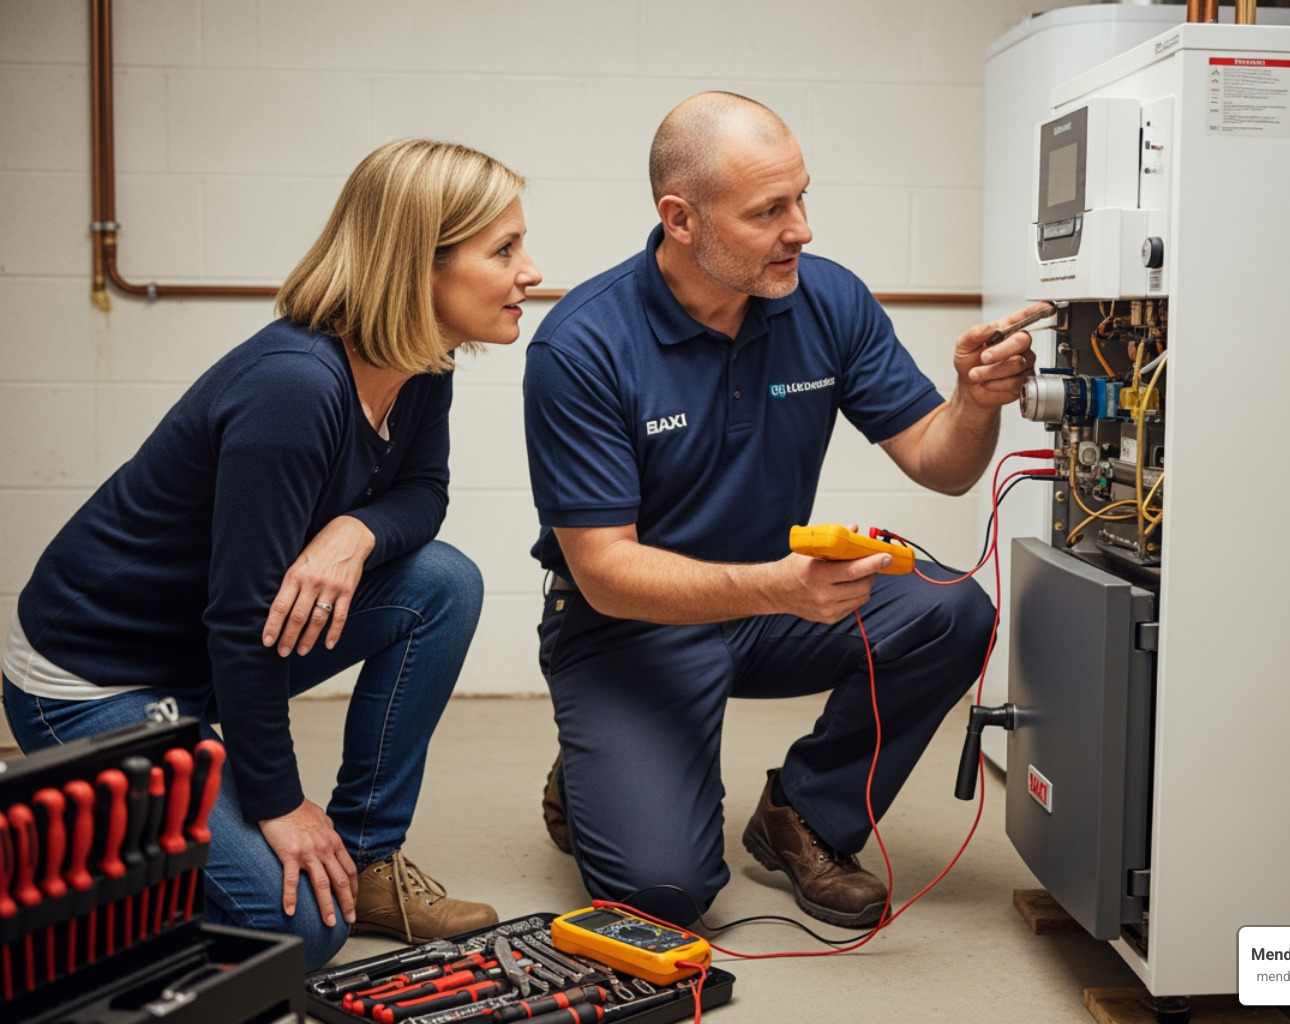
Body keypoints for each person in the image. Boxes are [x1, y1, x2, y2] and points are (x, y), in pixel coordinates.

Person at [3, 138, 542, 970]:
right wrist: (280, 803)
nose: (529, 271)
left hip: (199, 662)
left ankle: (365, 861)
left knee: (441, 584)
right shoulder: (294, 387)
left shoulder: (419, 364)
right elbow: (241, 621)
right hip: (92, 682)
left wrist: (354, 531)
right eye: (503, 250)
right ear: (417, 265)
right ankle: (74, 851)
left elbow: (423, 495)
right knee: (304, 931)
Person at [523, 92, 1049, 930]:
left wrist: (974, 400)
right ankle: (596, 761)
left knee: (951, 611)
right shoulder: (583, 344)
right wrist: (776, 588)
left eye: (802, 198)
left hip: (772, 602)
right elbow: (607, 574)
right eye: (769, 210)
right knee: (666, 899)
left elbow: (938, 464)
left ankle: (804, 813)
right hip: (626, 625)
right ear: (681, 219)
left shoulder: (826, 300)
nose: (800, 228)